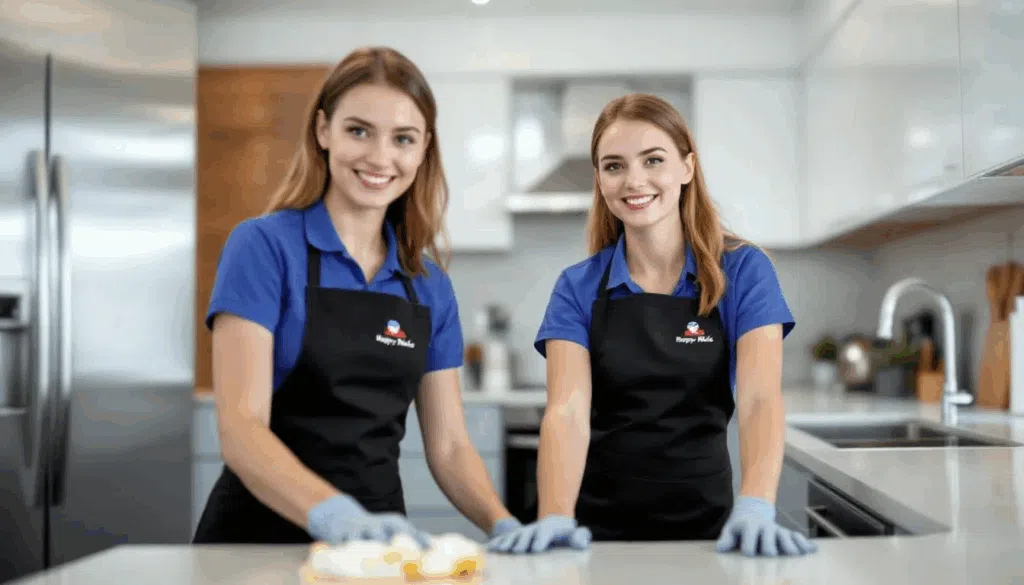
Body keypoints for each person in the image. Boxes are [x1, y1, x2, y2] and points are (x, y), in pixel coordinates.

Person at [191, 47, 522, 546]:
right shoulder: (264, 247)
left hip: (377, 550)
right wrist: (334, 516)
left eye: (402, 138)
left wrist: (503, 524)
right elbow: (242, 428)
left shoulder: (428, 283)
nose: (380, 157)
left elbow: (451, 447)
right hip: (256, 547)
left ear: (424, 149)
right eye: (359, 130)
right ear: (323, 131)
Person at [486, 93, 819, 557]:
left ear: (687, 167)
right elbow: (567, 410)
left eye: (653, 160)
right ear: (600, 180)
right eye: (614, 166)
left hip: (710, 534)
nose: (634, 180)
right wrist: (555, 514)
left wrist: (757, 504)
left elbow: (760, 398)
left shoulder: (743, 270)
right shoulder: (578, 286)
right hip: (596, 537)